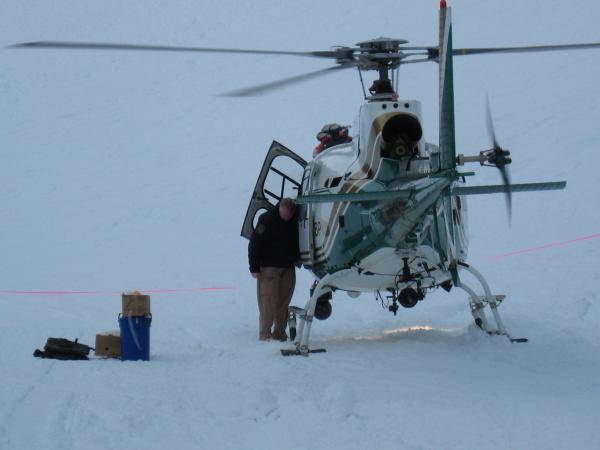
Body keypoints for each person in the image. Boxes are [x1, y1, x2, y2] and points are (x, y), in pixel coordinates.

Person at [248, 198, 300, 341]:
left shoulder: (296, 219)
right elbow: (254, 243)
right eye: (283, 214)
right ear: (279, 209)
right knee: (268, 301)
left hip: (288, 267)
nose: (286, 217)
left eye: (288, 215)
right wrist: (254, 267)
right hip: (269, 268)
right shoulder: (266, 219)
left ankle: (279, 333)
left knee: (284, 301)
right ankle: (265, 334)